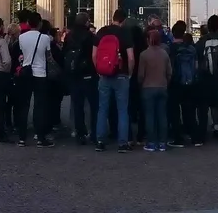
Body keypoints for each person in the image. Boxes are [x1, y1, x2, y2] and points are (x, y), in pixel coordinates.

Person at [93, 9, 134, 153]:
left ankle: (100, 142)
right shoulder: (125, 33)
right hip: (121, 75)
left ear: (113, 18)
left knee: (102, 109)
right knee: (122, 110)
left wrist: (99, 70)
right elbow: (130, 57)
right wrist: (129, 73)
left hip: (104, 75)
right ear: (123, 20)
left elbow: (94, 54)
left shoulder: (102, 31)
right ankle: (122, 143)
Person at [18, 12, 54, 147]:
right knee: (40, 106)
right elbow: (48, 57)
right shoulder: (45, 38)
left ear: (28, 23)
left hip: (26, 72)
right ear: (39, 24)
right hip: (40, 73)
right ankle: (40, 137)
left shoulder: (22, 37)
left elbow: (23, 54)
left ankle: (22, 137)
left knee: (24, 105)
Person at [195, 14, 218, 145]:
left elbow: (197, 57)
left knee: (203, 109)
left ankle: (202, 136)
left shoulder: (202, 41)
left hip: (205, 79)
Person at [64, 12, 97, 145]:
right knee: (93, 105)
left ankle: (80, 133)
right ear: (86, 22)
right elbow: (94, 54)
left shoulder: (69, 36)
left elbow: (64, 54)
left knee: (77, 105)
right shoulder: (90, 36)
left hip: (74, 74)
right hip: (88, 73)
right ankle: (94, 132)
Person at [138, 29, 172, 152]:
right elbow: (169, 73)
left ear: (148, 40)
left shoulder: (143, 54)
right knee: (162, 115)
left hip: (148, 87)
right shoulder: (164, 53)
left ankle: (151, 143)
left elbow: (141, 74)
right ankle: (162, 142)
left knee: (150, 116)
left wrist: (140, 83)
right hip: (162, 86)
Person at [168, 20, 198, 147]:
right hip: (190, 82)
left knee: (174, 111)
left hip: (175, 82)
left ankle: (178, 138)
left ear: (173, 34)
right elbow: (196, 66)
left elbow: (169, 68)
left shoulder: (170, 49)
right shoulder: (191, 48)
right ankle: (195, 137)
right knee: (189, 110)